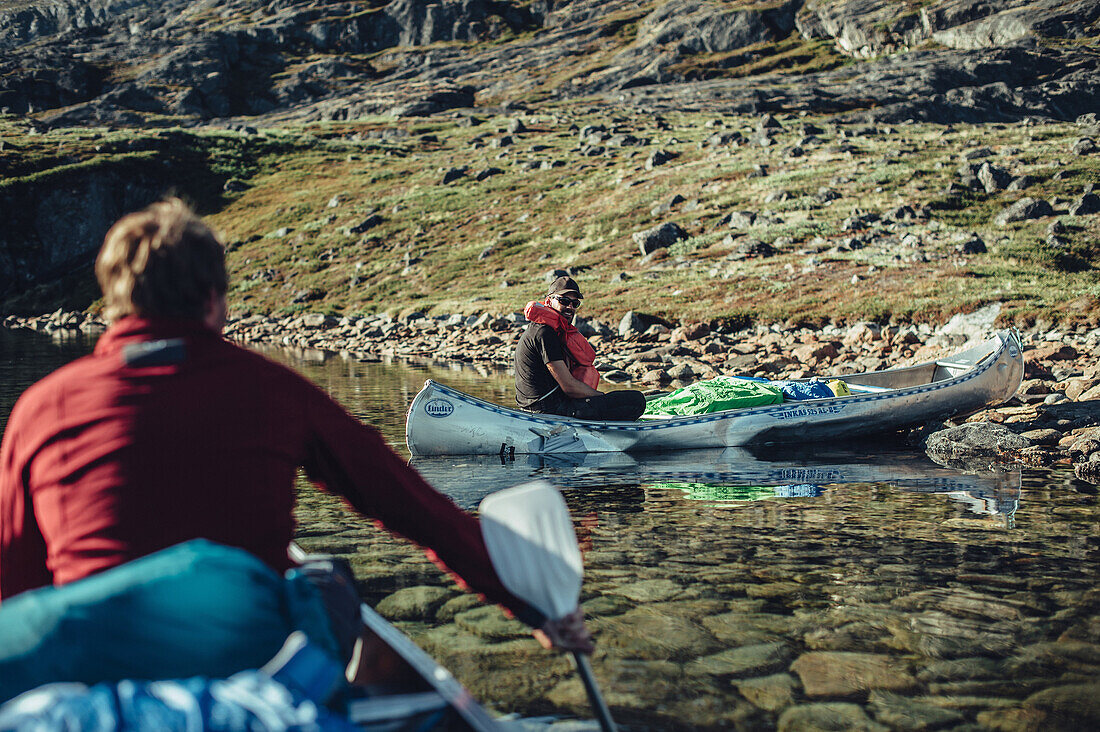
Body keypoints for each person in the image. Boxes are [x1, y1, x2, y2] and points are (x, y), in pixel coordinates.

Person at [0, 199, 591, 692]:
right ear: (214, 300)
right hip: (246, 659)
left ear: (115, 300)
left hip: (96, 664)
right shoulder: (274, 390)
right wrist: (534, 609)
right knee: (325, 583)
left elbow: (16, 581)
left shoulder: (39, 409)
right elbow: (415, 509)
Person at [515, 275, 646, 420]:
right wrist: (601, 398)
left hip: (540, 406)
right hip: (549, 411)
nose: (570, 307)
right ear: (548, 301)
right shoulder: (545, 333)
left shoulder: (543, 329)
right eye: (564, 301)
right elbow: (569, 387)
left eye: (574, 303)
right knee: (636, 400)